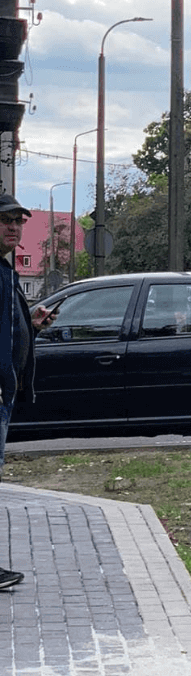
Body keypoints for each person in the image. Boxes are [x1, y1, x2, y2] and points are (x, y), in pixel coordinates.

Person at [0, 193, 58, 590]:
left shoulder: (7, 272)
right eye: (6, 220)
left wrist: (31, 324)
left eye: (18, 222)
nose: (13, 227)